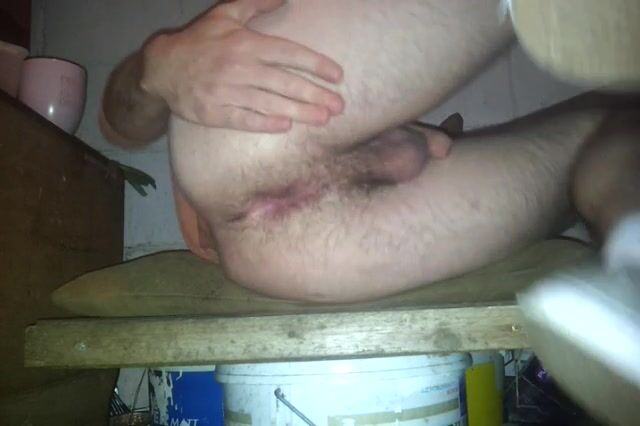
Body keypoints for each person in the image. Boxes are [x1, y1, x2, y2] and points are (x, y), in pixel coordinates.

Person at [102, 0, 640, 302]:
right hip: (265, 196)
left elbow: (117, 127)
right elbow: (116, 124)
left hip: (275, 255)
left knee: (607, 126)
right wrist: (159, 65)